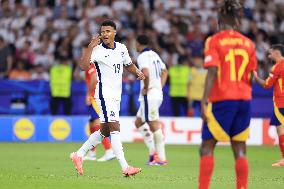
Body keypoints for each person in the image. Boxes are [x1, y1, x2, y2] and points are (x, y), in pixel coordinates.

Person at [70, 20, 145, 177]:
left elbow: (128, 64)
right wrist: (90, 47)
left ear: (114, 33)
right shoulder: (96, 50)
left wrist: (137, 72)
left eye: (108, 31)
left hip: (116, 95)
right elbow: (83, 67)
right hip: (104, 95)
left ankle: (79, 154)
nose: (105, 34)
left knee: (104, 131)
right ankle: (125, 167)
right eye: (103, 32)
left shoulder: (122, 48)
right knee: (115, 128)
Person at [199, 1, 258, 189]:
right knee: (239, 149)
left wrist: (204, 100)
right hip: (244, 100)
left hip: (223, 99)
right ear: (237, 23)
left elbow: (212, 72)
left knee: (207, 147)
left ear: (218, 23)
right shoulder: (249, 43)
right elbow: (252, 75)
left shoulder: (214, 40)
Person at [134, 34, 168, 165]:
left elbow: (146, 73)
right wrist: (160, 86)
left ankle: (161, 159)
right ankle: (153, 152)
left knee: (153, 124)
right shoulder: (155, 55)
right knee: (138, 122)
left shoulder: (142, 56)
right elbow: (165, 72)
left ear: (138, 44)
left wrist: (147, 88)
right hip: (156, 93)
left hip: (150, 95)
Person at [253, 44, 284, 167]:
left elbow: (267, 85)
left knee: (280, 129)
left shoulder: (277, 67)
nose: (269, 55)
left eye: (270, 53)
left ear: (277, 53)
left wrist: (256, 78)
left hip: (281, 102)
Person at [83, 61, 115, 162]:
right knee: (92, 124)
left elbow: (94, 78)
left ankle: (109, 150)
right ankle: (92, 152)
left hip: (95, 97)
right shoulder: (97, 65)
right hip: (97, 96)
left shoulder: (92, 66)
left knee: (98, 124)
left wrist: (88, 94)